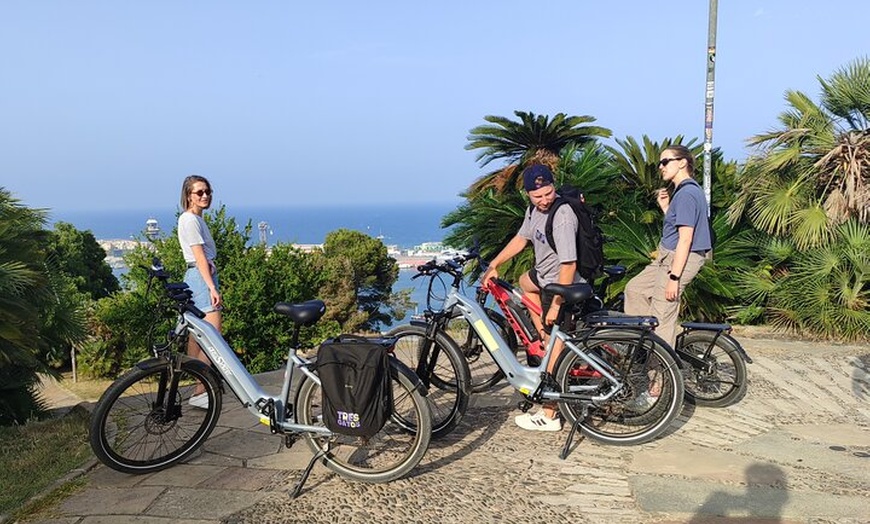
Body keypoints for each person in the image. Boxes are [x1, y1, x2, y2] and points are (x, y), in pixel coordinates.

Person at [482, 164, 582, 432]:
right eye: (537, 196)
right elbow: (521, 239)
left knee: (554, 344)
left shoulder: (561, 216)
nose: (544, 200)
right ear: (528, 194)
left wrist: (557, 305)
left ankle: (549, 413)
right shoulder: (533, 211)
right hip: (543, 275)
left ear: (553, 186)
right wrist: (495, 263)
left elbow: (569, 265)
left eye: (548, 193)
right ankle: (542, 335)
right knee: (525, 283)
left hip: (561, 283)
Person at [624, 145, 712, 349]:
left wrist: (674, 278)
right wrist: (666, 208)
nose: (661, 167)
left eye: (665, 162)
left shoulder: (687, 194)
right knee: (634, 290)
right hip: (667, 257)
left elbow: (685, 239)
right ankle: (644, 345)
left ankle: (660, 376)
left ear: (682, 163)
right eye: (659, 163)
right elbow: (678, 229)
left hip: (677, 260)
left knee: (661, 315)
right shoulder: (684, 192)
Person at [178, 174, 222, 409]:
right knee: (213, 336)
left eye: (207, 191)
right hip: (201, 277)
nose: (205, 196)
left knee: (196, 335)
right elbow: (199, 256)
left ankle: (197, 385)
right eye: (199, 192)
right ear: (188, 196)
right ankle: (200, 390)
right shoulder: (191, 221)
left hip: (197, 276)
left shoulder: (193, 219)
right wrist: (212, 286)